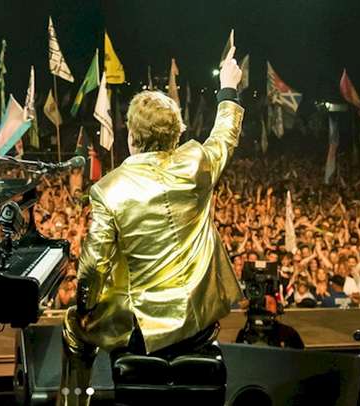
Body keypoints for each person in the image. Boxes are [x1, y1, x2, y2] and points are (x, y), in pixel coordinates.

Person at [56, 46, 245, 406]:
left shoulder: (109, 189)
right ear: (176, 136)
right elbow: (225, 134)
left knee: (73, 329)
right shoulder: (197, 164)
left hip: (141, 330)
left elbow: (93, 268)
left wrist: (85, 307)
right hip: (198, 322)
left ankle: (72, 402)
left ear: (131, 136)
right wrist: (228, 87)